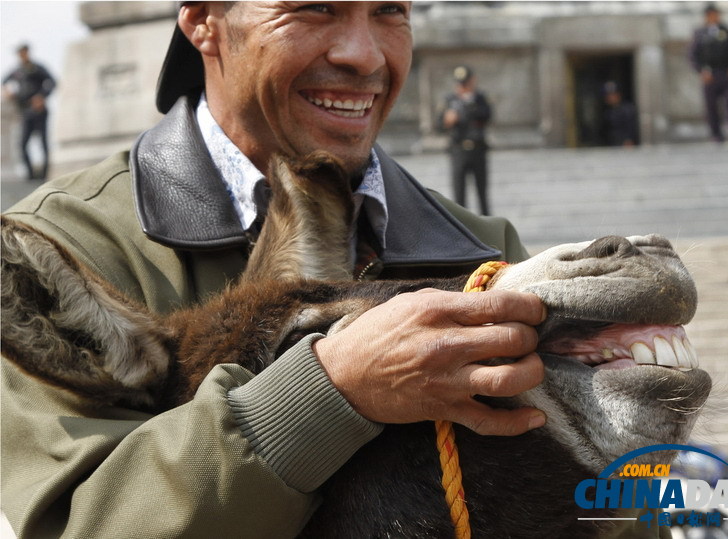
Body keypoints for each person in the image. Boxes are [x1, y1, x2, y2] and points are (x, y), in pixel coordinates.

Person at [1, 4, 659, 538]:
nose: (364, 55)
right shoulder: (54, 254)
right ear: (203, 20)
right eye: (316, 9)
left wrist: (633, 432)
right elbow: (78, 524)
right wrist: (331, 392)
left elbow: (596, 510)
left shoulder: (478, 246)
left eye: (390, 12)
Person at [439, 65, 492, 215]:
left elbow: (487, 116)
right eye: (460, 83)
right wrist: (447, 120)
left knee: (482, 192)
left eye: (466, 82)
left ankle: (486, 228)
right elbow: (439, 125)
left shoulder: (480, 98)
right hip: (458, 150)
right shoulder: (449, 100)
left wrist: (469, 101)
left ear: (473, 81)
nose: (462, 86)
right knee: (459, 195)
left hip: (478, 149)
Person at [689, 3, 728, 143]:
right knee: (711, 107)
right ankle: (716, 135)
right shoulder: (700, 33)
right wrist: (700, 71)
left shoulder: (725, 30)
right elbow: (693, 54)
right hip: (709, 75)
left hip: (725, 72)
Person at [2, 43, 56, 180]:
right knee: (23, 144)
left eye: (24, 52)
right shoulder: (17, 71)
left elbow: (52, 82)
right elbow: (4, 81)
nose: (22, 55)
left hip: (39, 110)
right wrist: (9, 92)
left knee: (43, 142)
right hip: (25, 111)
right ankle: (31, 175)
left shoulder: (37, 68)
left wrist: (42, 97)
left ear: (28, 52)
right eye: (20, 53)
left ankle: (44, 174)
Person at [602, 81, 638, 147]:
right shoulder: (607, 111)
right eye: (608, 95)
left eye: (612, 95)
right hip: (613, 144)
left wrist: (629, 139)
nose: (610, 98)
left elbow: (631, 126)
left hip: (625, 145)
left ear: (618, 95)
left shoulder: (627, 109)